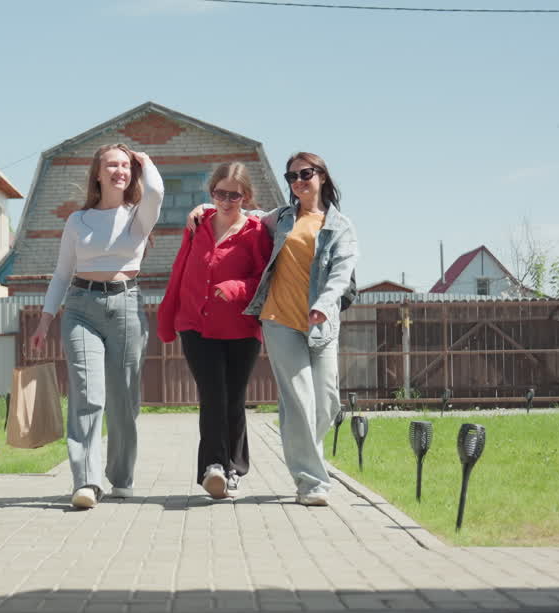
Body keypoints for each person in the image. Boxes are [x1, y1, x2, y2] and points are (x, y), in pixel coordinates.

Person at [188, 152, 358, 506]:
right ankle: (311, 481)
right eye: (292, 176)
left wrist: (324, 305)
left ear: (322, 177)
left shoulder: (341, 226)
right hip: (279, 320)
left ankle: (306, 453)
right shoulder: (280, 218)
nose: (298, 181)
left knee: (326, 404)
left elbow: (342, 273)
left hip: (321, 323)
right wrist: (206, 207)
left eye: (305, 174)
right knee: (299, 400)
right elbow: (242, 213)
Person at [29, 144, 163, 509]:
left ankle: (121, 477)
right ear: (98, 173)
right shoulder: (78, 221)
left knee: (123, 399)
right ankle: (86, 482)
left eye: (125, 165)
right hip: (80, 307)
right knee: (87, 394)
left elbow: (156, 191)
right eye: (112, 165)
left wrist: (145, 160)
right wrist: (45, 319)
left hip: (126, 306)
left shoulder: (139, 215)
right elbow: (61, 274)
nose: (120, 170)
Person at [157, 163, 273, 500]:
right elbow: (180, 270)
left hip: (240, 329)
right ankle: (214, 468)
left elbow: (265, 277)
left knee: (233, 400)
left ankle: (234, 467)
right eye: (219, 193)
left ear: (245, 197)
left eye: (233, 195)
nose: (225, 200)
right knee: (213, 395)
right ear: (211, 193)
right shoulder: (197, 226)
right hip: (195, 325)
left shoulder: (254, 231)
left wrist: (237, 287)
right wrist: (169, 315)